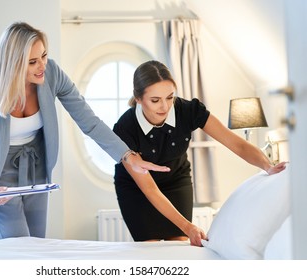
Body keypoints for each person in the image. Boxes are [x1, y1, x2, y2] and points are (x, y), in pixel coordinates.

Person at [0, 22, 170, 239]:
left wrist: (127, 156)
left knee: (36, 241)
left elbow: (89, 121)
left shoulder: (52, 74)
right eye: (33, 62)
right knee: (19, 244)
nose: (42, 66)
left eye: (44, 56)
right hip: (1, 174)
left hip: (36, 167)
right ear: (13, 64)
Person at [113, 60, 287, 247]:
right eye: (155, 100)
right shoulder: (125, 128)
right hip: (137, 190)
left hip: (176, 180)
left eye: (170, 97)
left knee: (179, 244)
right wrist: (189, 227)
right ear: (138, 98)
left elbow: (236, 144)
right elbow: (150, 189)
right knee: (151, 246)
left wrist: (267, 166)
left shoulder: (188, 110)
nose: (165, 106)